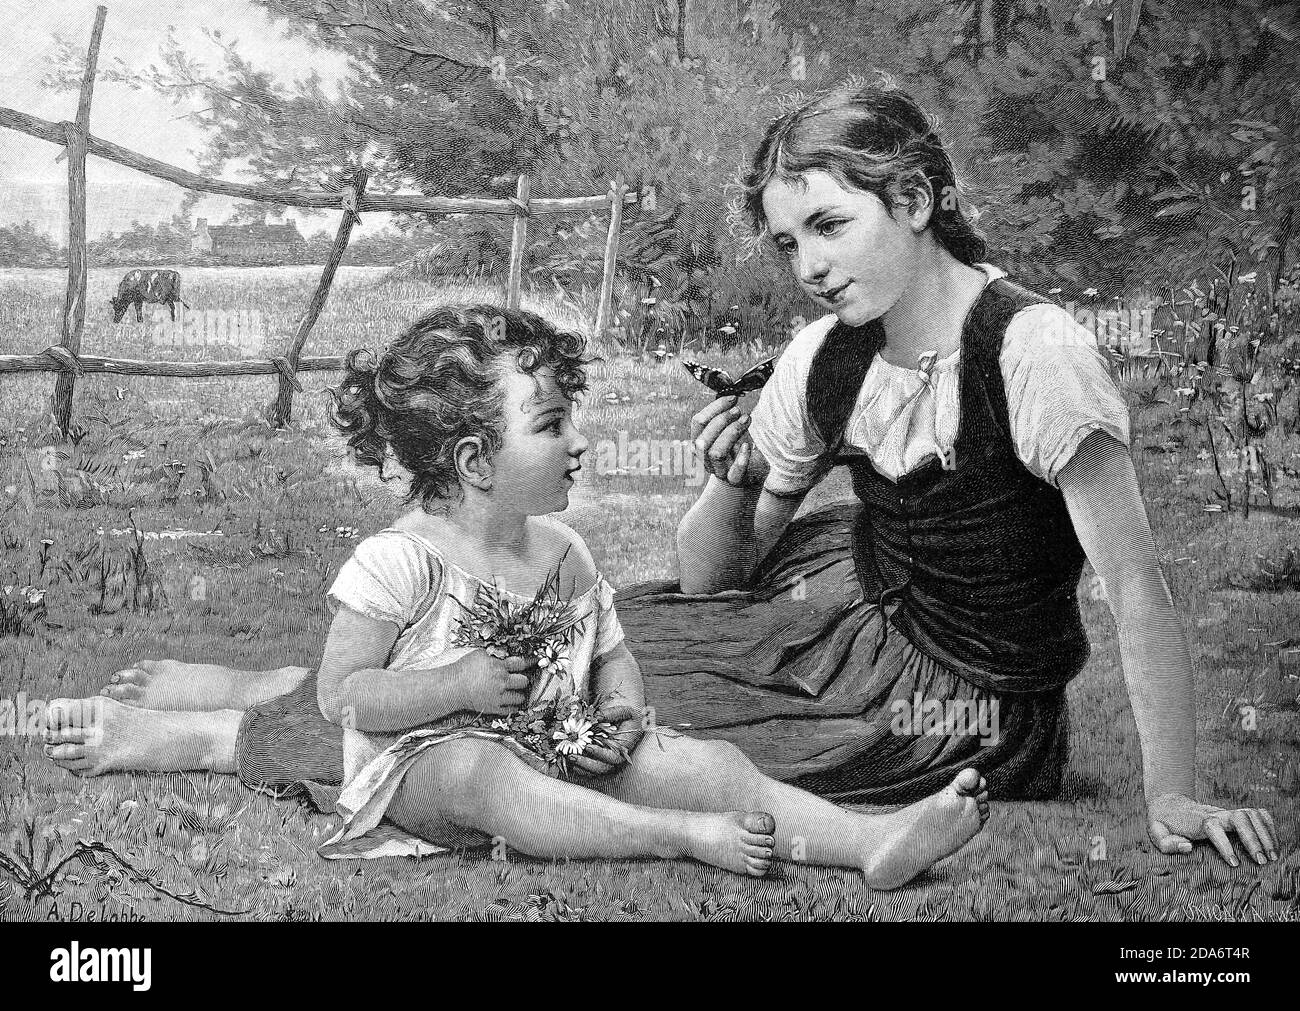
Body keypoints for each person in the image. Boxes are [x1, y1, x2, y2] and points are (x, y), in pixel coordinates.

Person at [44, 304, 991, 887]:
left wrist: (622, 709)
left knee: (706, 758)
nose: (579, 441)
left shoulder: (564, 549)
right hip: (428, 761)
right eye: (551, 425)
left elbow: (614, 648)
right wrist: (452, 684)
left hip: (555, 736)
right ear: (471, 460)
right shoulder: (397, 561)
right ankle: (680, 840)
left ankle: (866, 841)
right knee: (488, 781)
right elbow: (347, 699)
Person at [606, 74, 1276, 868]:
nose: (810, 267)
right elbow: (715, 580)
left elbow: (1135, 585)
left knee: (647, 714)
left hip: (972, 696)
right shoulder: (824, 358)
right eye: (790, 243)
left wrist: (1170, 792)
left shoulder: (1034, 353)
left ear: (917, 202)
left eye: (829, 226)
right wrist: (735, 477)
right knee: (603, 646)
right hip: (840, 617)